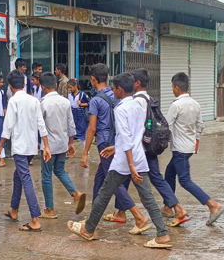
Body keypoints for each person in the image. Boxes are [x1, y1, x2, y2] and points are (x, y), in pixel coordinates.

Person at [68, 72, 172, 249]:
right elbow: (136, 135)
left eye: (114, 88)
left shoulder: (120, 109)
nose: (113, 91)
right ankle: (162, 234)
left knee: (104, 193)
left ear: (119, 89)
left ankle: (88, 228)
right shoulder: (138, 106)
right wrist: (118, 149)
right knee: (147, 197)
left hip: (126, 160)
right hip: (137, 156)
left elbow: (126, 136)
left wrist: (129, 164)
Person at [79, 64, 146, 228]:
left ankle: (138, 216)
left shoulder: (95, 100)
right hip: (117, 141)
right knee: (100, 179)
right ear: (108, 79)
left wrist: (85, 152)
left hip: (104, 143)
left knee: (113, 182)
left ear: (93, 79)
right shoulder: (117, 95)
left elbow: (92, 128)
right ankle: (94, 217)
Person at [128, 70, 189, 225]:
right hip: (150, 145)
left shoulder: (136, 101)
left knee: (125, 177)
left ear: (137, 83)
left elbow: (137, 126)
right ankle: (176, 208)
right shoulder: (149, 98)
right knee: (155, 178)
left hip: (141, 147)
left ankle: (176, 208)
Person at [165, 72, 224, 226]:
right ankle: (167, 206)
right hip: (189, 147)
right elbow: (200, 126)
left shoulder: (176, 105)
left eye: (172, 87)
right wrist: (194, 139)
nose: (172, 90)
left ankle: (212, 205)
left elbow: (167, 125)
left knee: (185, 181)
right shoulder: (195, 104)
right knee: (169, 173)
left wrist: (166, 139)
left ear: (177, 88)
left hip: (180, 148)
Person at [0, 69, 50, 232]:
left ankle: (35, 219)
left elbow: (8, 126)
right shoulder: (34, 100)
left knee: (25, 178)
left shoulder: (13, 101)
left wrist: (0, 145)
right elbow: (41, 124)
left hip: (20, 147)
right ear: (24, 84)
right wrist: (46, 145)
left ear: (10, 86)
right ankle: (14, 209)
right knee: (18, 176)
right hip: (31, 146)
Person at [39, 72, 87, 218]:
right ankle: (75, 193)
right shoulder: (65, 102)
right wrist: (71, 143)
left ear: (42, 87)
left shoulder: (43, 103)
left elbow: (40, 126)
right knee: (59, 170)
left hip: (48, 146)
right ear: (56, 85)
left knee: (46, 175)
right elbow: (71, 125)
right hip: (62, 143)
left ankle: (50, 209)